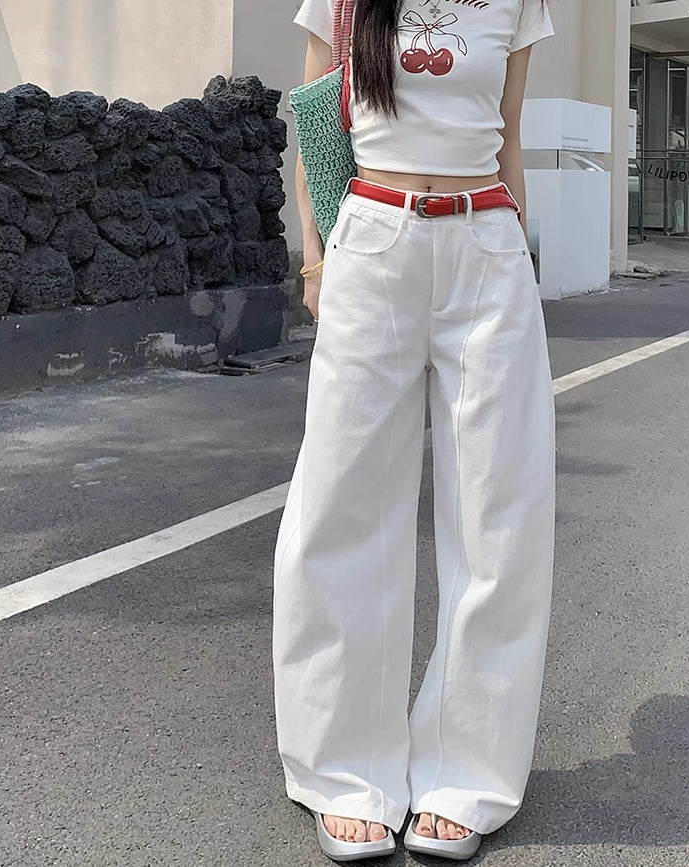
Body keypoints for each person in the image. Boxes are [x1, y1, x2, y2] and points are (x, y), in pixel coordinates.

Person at [272, 0, 556, 860]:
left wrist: (519, 260)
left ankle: (466, 774)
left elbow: (506, 135)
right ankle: (342, 772)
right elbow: (316, 127)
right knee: (341, 503)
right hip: (374, 239)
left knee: (498, 512)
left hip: (486, 245)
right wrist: (315, 259)